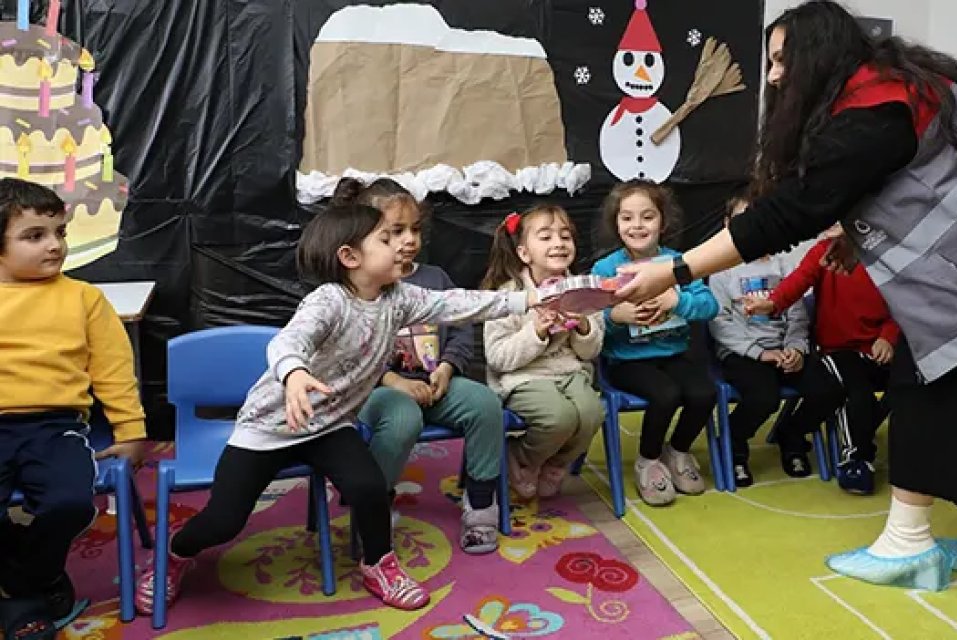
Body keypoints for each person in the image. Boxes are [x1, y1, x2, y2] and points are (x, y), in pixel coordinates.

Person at [614, 1, 957, 592]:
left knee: (924, 385)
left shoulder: (873, 109)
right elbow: (918, 179)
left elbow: (788, 213)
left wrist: (675, 271)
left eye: (779, 61)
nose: (771, 77)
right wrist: (852, 232)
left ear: (819, 55)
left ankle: (908, 543)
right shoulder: (897, 89)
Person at [135, 204, 538, 614]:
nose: (404, 244)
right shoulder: (327, 301)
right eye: (387, 238)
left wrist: (533, 298)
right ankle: (174, 554)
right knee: (225, 520)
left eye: (404, 236)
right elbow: (288, 342)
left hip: (328, 426)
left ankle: (379, 563)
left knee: (367, 487)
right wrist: (293, 375)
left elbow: (458, 304)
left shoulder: (399, 298)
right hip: (268, 429)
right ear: (350, 257)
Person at [0, 179, 145, 636]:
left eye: (59, 233)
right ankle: (30, 590)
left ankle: (21, 586)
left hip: (55, 427)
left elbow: (115, 371)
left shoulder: (83, 299)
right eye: (34, 236)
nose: (54, 246)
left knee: (70, 504)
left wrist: (131, 431)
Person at [334, 178, 506, 556]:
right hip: (378, 391)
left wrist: (447, 367)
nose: (409, 239)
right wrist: (392, 380)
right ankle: (373, 511)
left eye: (414, 229)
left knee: (485, 405)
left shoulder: (435, 279)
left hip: (434, 385)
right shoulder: (358, 287)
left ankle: (480, 507)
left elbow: (461, 330)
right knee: (402, 419)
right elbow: (348, 351)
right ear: (367, 236)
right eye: (396, 232)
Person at [742, 222, 901, 495]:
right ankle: (857, 459)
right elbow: (798, 280)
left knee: (909, 383)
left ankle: (866, 429)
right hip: (838, 350)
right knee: (857, 394)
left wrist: (887, 336)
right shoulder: (824, 252)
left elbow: (903, 304)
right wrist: (773, 302)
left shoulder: (887, 254)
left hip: (879, 347)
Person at [591, 179, 720, 507]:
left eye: (647, 217)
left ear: (662, 222)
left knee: (704, 393)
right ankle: (648, 460)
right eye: (627, 217)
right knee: (666, 394)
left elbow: (709, 306)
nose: (637, 225)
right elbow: (588, 325)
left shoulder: (680, 262)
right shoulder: (604, 268)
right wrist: (616, 316)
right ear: (616, 223)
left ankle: (676, 451)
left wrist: (675, 300)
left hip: (674, 354)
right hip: (626, 362)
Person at [481, 205, 605, 501]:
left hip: (571, 373)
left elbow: (591, 351)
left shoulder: (584, 289)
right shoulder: (508, 296)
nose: (559, 243)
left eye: (565, 236)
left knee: (591, 414)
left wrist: (584, 324)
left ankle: (555, 463)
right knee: (558, 418)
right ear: (525, 253)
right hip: (523, 378)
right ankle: (522, 457)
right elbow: (498, 357)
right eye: (546, 237)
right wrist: (536, 331)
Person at [707, 194, 816, 487]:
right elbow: (720, 324)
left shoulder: (784, 266)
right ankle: (734, 443)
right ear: (728, 225)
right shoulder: (721, 271)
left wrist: (795, 348)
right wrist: (759, 353)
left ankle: (791, 435)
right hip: (742, 354)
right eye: (744, 220)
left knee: (826, 387)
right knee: (763, 396)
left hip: (784, 350)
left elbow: (797, 314)